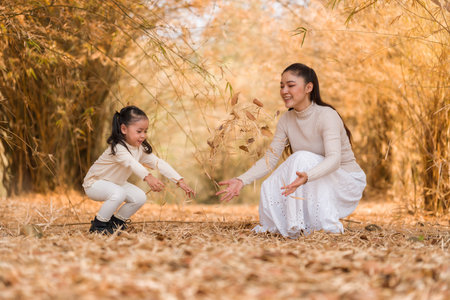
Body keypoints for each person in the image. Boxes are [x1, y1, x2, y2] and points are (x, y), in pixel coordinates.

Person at [216, 63, 366, 238]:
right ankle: (291, 227)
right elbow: (270, 159)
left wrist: (308, 176)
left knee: (300, 158)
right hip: (313, 177)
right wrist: (242, 180)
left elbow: (334, 160)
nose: (284, 90)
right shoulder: (286, 119)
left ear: (309, 87)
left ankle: (323, 226)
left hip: (345, 181)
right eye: (282, 86)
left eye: (291, 85)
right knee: (270, 184)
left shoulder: (327, 115)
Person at [83, 105, 195, 234]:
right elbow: (131, 163)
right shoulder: (118, 148)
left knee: (140, 197)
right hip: (94, 184)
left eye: (145, 131)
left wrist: (179, 180)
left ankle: (115, 224)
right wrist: (148, 177)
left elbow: (158, 163)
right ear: (124, 129)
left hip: (115, 184)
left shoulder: (139, 149)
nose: (143, 136)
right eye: (139, 131)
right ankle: (98, 226)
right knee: (118, 193)